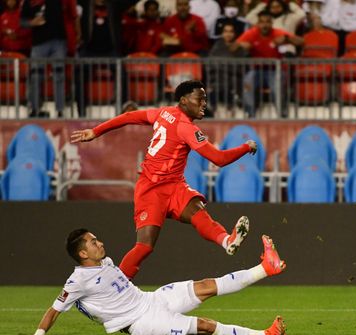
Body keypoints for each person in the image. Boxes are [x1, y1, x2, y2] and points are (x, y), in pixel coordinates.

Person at [70, 80, 257, 280]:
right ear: (184, 101)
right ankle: (115, 287)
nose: (204, 103)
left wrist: (96, 131)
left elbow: (129, 116)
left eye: (205, 99)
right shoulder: (186, 128)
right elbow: (219, 159)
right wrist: (246, 147)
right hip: (151, 189)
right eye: (199, 99)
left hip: (175, 185)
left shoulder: (163, 113)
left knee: (197, 211)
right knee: (145, 246)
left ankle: (227, 241)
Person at [24, 229, 287, 335]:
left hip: (151, 299)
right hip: (141, 323)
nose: (100, 243)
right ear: (82, 254)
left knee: (207, 285)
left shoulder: (106, 262)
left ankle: (266, 267)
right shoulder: (77, 280)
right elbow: (54, 309)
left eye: (97, 239)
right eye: (93, 242)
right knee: (204, 326)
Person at [236, 10, 304, 118]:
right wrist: (242, 46)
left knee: (277, 86)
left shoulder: (277, 33)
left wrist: (287, 39)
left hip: (275, 70)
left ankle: (282, 115)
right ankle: (250, 114)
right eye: (262, 22)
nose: (265, 25)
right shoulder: (252, 33)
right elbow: (235, 46)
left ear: (271, 23)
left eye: (267, 22)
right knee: (248, 82)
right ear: (258, 23)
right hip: (256, 70)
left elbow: (301, 41)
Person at [20, 0, 79, 118]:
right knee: (36, 76)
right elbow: (22, 21)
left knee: (59, 76)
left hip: (58, 40)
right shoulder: (29, 1)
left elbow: (73, 15)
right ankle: (35, 109)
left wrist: (75, 35)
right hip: (38, 43)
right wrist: (32, 22)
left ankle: (60, 110)